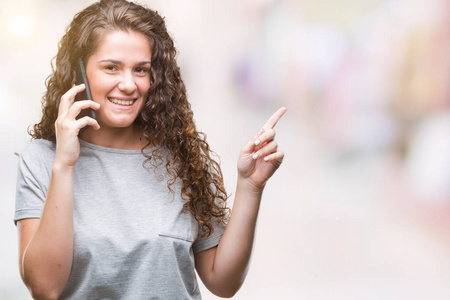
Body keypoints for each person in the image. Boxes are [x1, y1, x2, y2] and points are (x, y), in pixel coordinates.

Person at [14, 0, 286, 299]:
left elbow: (222, 282)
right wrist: (64, 165)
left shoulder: (183, 157)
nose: (129, 84)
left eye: (140, 70)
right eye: (111, 68)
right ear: (79, 74)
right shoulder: (42, 160)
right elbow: (44, 288)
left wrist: (250, 186)